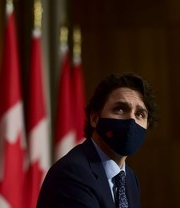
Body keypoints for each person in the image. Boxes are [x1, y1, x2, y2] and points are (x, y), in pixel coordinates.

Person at [37, 72, 157, 208]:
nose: (131, 120)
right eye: (120, 109)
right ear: (95, 118)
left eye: (140, 114)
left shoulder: (129, 178)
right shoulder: (73, 174)